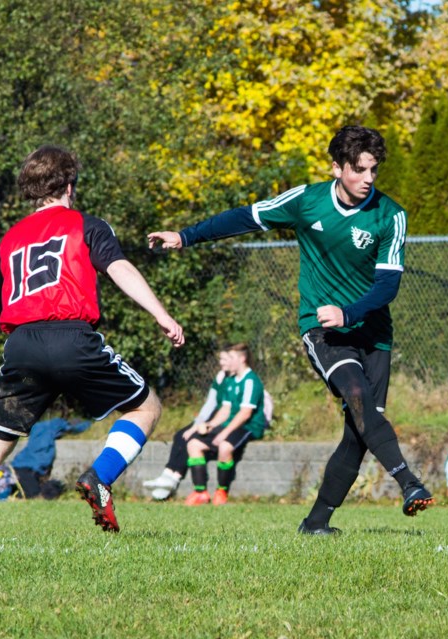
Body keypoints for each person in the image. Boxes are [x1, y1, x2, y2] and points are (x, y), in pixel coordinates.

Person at [149, 125, 432, 535]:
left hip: (372, 333)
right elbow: (246, 217)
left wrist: (350, 312)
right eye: (359, 169)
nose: (369, 178)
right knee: (356, 395)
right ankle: (409, 481)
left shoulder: (391, 215)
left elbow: (388, 285)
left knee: (360, 430)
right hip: (322, 330)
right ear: (336, 168)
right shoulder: (307, 201)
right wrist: (186, 236)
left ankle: (315, 523)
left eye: (374, 170)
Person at [0, 145, 184, 537]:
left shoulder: (9, 239)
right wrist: (161, 314)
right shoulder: (86, 224)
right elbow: (119, 267)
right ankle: (99, 478)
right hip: (72, 338)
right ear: (70, 186)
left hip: (20, 344)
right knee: (146, 407)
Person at [183, 343, 267, 506]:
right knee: (193, 444)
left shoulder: (251, 381)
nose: (227, 362)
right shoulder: (231, 380)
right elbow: (225, 409)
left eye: (231, 358)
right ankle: (200, 492)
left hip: (248, 426)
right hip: (231, 424)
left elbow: (245, 414)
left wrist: (224, 433)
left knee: (225, 447)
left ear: (242, 359)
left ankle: (222, 492)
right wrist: (211, 425)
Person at [142, 350, 232, 500]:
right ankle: (167, 475)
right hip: (212, 417)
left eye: (225, 359)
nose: (221, 362)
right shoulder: (221, 376)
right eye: (221, 359)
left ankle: (174, 478)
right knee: (180, 435)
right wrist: (196, 425)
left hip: (221, 421)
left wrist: (203, 426)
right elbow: (210, 404)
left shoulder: (239, 380)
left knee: (191, 439)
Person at [11, 417, 93, 499]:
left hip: (25, 467)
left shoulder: (38, 429)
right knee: (33, 494)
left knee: (37, 491)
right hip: (25, 469)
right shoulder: (53, 426)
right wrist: (91, 422)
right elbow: (76, 427)